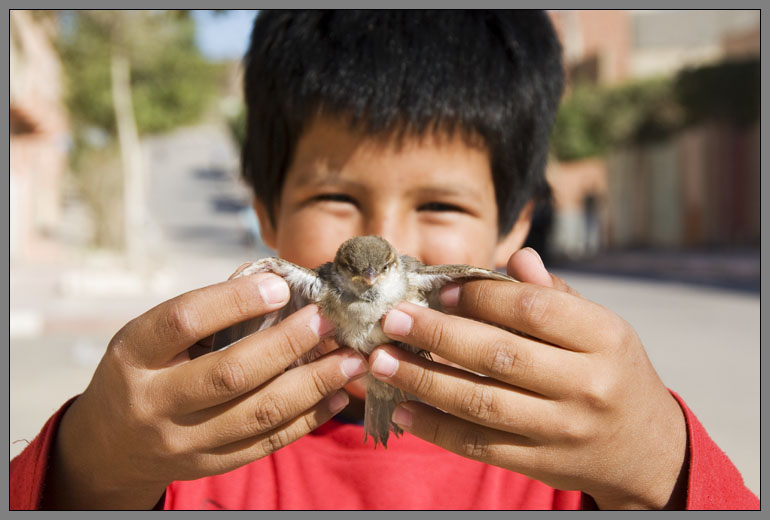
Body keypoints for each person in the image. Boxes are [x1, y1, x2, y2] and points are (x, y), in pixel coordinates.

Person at [10, 11, 758, 510]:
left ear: (515, 227)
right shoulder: (195, 441)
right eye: (336, 196)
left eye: (441, 206)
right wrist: (93, 467)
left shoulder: (568, 449)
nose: (390, 238)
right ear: (265, 213)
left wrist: (658, 464)